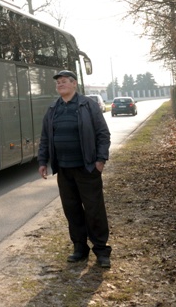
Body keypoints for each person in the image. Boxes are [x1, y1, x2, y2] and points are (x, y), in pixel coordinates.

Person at [37, 70, 112, 268]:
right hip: (64, 169)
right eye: (58, 83)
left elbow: (103, 134)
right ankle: (80, 248)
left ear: (74, 84)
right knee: (72, 210)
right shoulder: (53, 109)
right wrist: (42, 161)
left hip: (87, 168)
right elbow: (45, 138)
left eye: (63, 82)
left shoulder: (88, 106)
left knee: (94, 209)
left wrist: (100, 160)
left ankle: (102, 250)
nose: (60, 85)